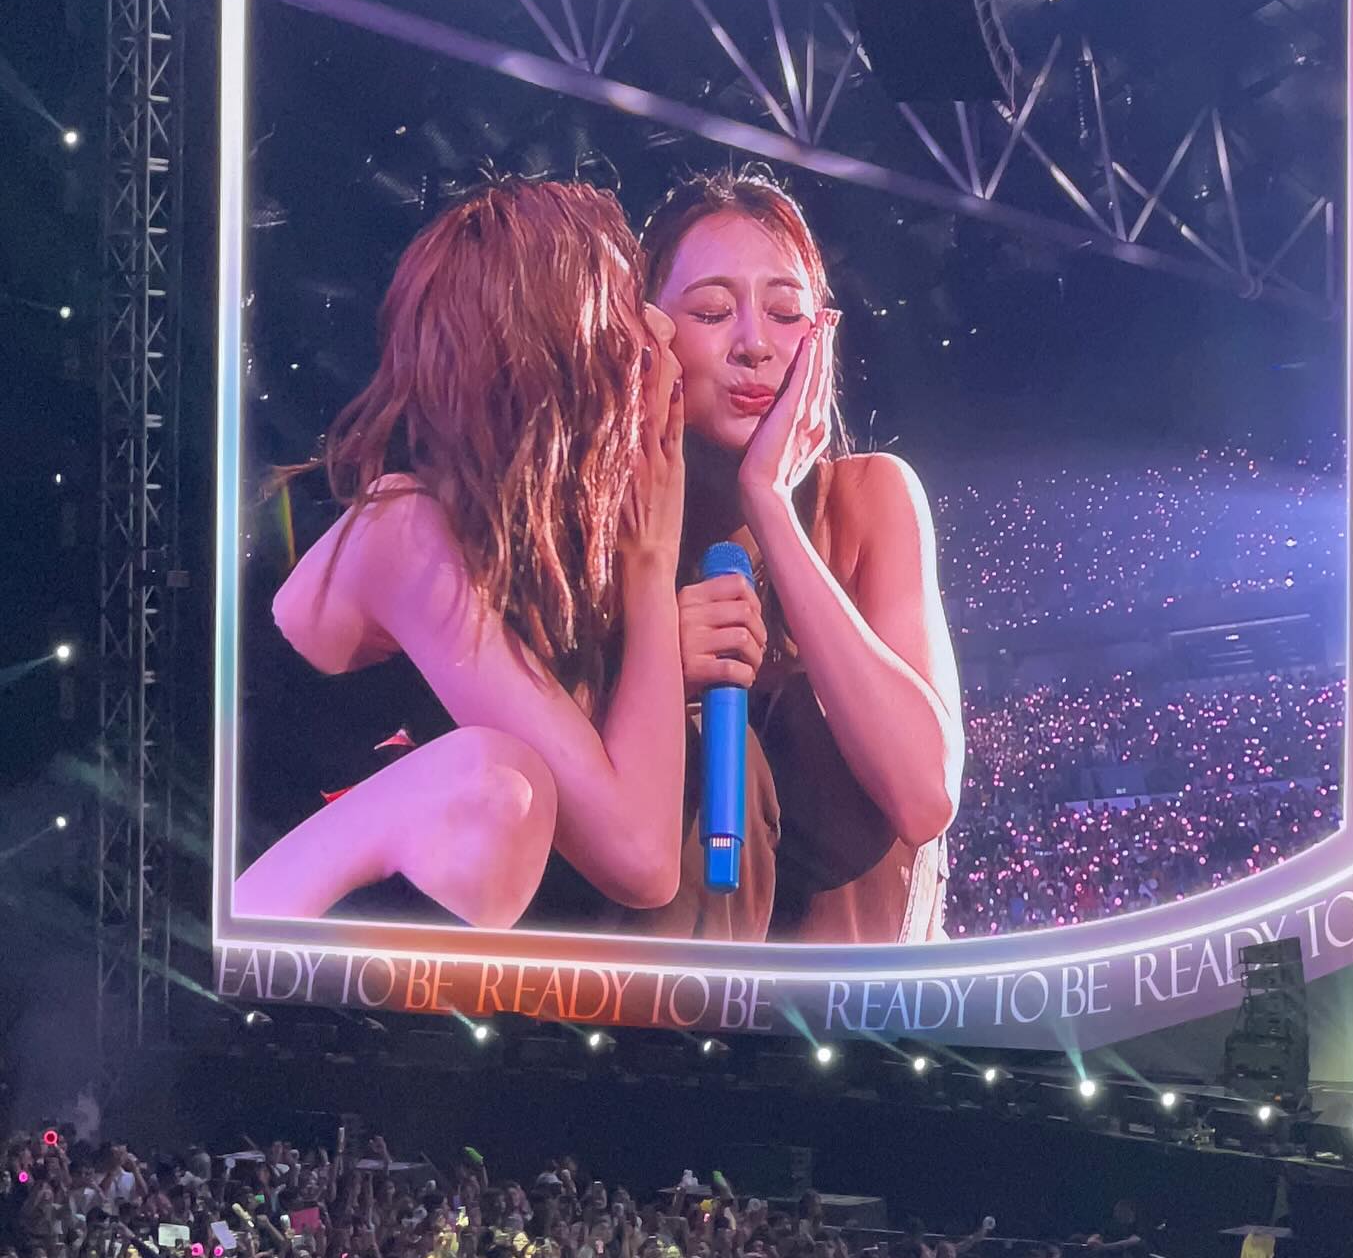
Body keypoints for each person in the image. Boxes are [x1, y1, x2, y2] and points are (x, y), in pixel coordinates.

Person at [235, 178, 687, 928]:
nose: (659, 329)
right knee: (498, 785)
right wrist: (651, 563)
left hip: (359, 920)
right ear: (561, 352)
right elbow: (639, 857)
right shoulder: (399, 528)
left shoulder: (514, 548)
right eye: (626, 303)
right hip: (248, 921)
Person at [638, 168, 964, 942]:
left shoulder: (870, 498)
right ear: (650, 332)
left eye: (786, 313)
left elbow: (924, 794)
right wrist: (652, 664)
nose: (754, 344)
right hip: (684, 1000)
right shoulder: (621, 527)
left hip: (867, 1005)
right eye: (713, 311)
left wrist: (769, 502)